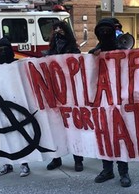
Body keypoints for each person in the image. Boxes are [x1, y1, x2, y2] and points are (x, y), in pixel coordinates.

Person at [89, 18, 132, 188]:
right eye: (102, 31)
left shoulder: (123, 49)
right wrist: (93, 57)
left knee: (120, 138)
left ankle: (124, 172)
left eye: (108, 30)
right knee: (104, 137)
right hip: (102, 102)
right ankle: (107, 170)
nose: (105, 34)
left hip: (120, 102)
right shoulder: (95, 53)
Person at [44, 20, 84, 172]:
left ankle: (78, 159)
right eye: (55, 29)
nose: (58, 31)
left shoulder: (73, 49)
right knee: (54, 127)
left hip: (71, 93)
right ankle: (56, 158)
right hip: (54, 93)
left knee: (73, 127)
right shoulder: (51, 49)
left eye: (61, 28)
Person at [0, 37, 30, 177]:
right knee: (3, 136)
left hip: (16, 105)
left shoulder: (17, 65)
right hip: (0, 107)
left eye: (5, 50)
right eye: (0, 50)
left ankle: (24, 164)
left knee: (20, 135)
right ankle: (6, 164)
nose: (3, 53)